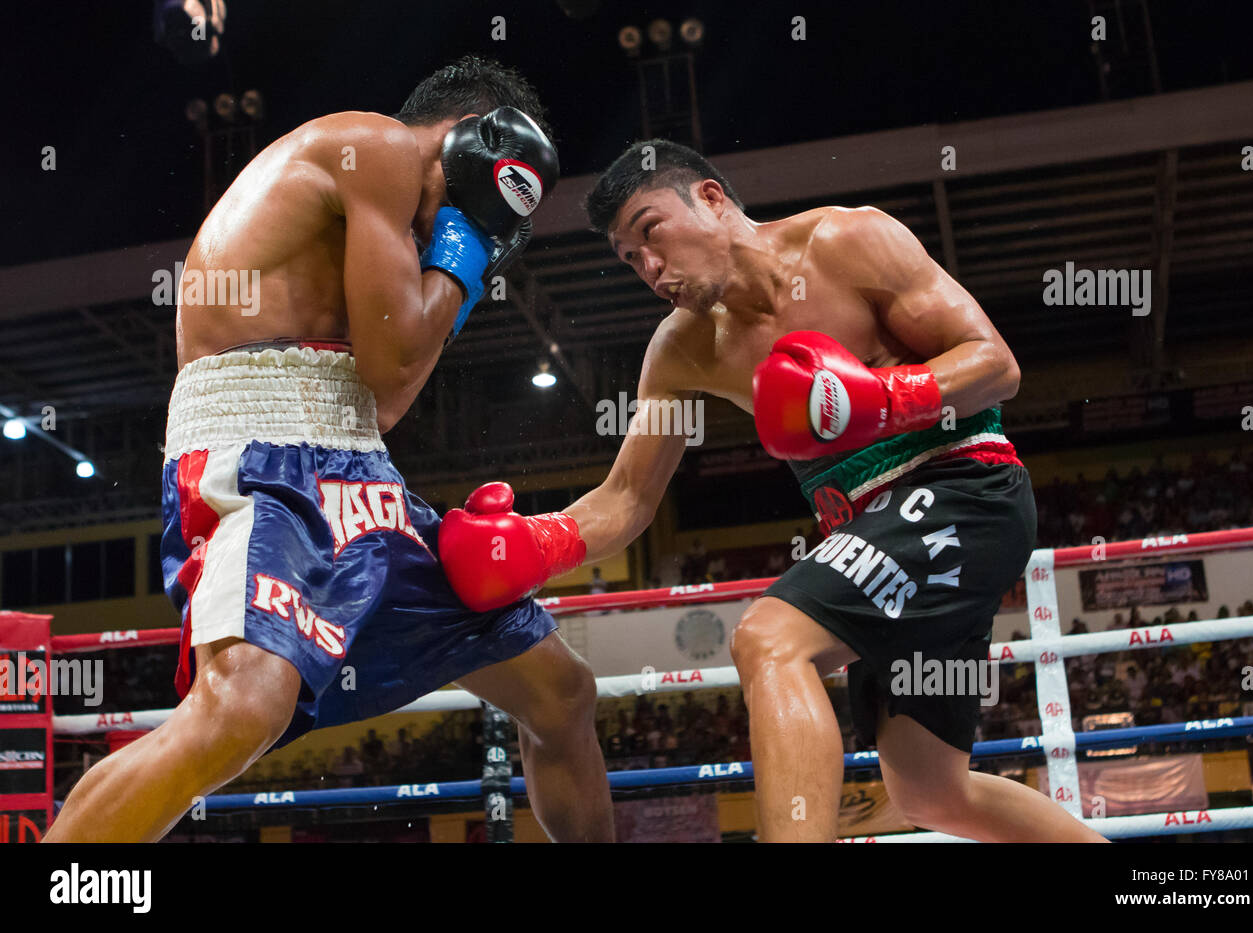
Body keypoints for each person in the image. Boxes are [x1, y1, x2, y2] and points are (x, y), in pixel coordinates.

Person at [438, 139, 1106, 842]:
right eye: (631, 260)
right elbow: (628, 498)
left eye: (650, 232)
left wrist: (884, 395)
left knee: (771, 639)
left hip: (965, 487)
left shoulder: (849, 241)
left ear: (712, 198)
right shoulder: (680, 349)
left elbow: (997, 365)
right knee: (931, 791)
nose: (651, 268)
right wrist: (538, 542)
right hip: (873, 537)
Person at [46, 57, 612, 843]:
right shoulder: (374, 147)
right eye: (485, 190)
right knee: (240, 708)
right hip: (261, 455)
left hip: (354, 464)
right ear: (469, 142)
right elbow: (390, 364)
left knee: (561, 692)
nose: (465, 223)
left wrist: (460, 253)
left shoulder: (400, 237)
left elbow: (384, 398)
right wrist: (470, 246)